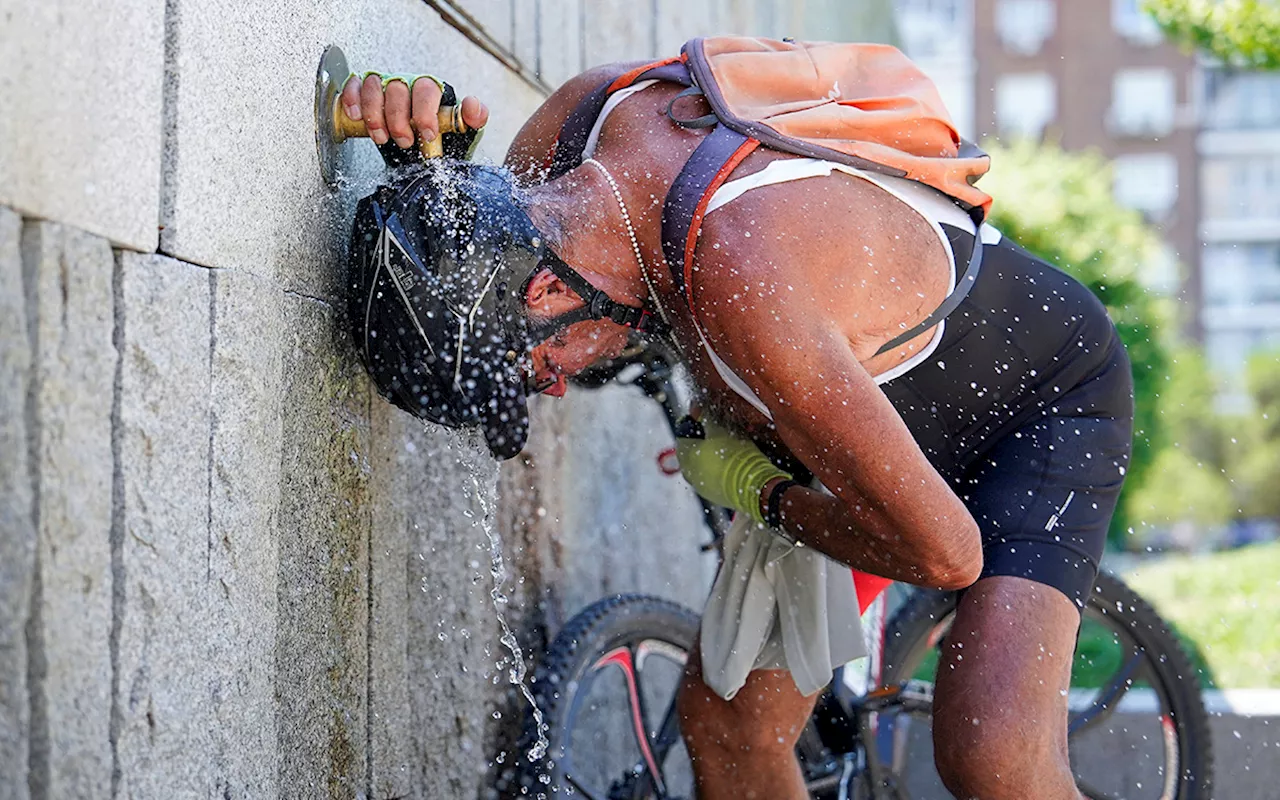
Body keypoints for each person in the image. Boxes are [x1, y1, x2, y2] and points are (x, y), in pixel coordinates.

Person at [341, 40, 1132, 800]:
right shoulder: (574, 132)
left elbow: (946, 553)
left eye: (538, 369)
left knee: (992, 761)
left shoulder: (744, 276)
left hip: (1035, 401)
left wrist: (761, 493)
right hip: (844, 429)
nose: (551, 391)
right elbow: (487, 238)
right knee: (727, 729)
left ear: (545, 296)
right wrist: (429, 176)